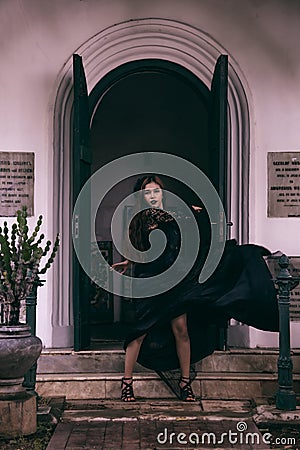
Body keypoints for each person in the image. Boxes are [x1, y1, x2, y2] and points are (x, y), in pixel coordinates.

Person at [112, 174, 279, 403]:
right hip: (149, 282)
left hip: (175, 283)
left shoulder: (177, 216)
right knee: (139, 332)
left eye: (156, 191)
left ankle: (184, 383)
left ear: (163, 193)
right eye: (147, 192)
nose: (152, 196)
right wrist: (127, 262)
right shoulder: (137, 220)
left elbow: (196, 238)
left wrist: (196, 213)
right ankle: (127, 383)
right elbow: (136, 249)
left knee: (181, 330)